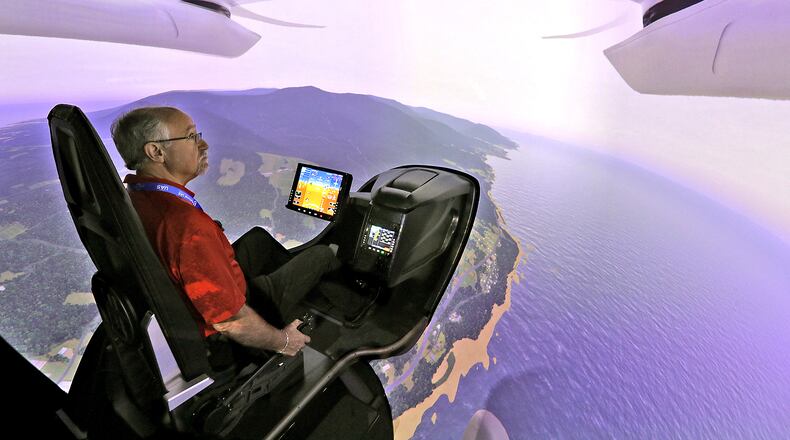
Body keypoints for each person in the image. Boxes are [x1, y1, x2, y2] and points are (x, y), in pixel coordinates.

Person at [110, 106, 340, 358]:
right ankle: (281, 310)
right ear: (156, 151)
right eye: (191, 137)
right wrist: (283, 341)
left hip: (196, 296)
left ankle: (283, 301)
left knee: (257, 238)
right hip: (228, 326)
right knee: (321, 255)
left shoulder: (136, 196)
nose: (203, 144)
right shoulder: (185, 225)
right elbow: (230, 322)